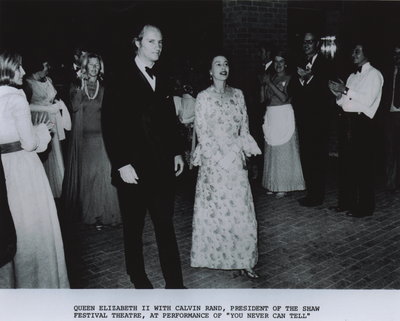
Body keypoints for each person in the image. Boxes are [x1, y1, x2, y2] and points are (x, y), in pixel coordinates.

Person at [102, 25, 185, 289]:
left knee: (165, 225)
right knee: (133, 228)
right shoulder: (120, 76)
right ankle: (137, 276)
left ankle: (175, 283)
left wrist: (176, 152)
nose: (157, 47)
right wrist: (121, 162)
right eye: (151, 42)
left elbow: (169, 120)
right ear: (137, 43)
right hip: (133, 168)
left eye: (160, 42)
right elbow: (110, 123)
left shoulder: (163, 75)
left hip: (161, 166)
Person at [0, 51, 69, 288]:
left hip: (3, 170)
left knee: (9, 227)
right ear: (9, 70)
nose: (22, 72)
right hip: (22, 167)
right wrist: (43, 132)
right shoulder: (16, 97)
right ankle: (39, 283)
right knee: (33, 226)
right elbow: (30, 144)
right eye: (18, 68)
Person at [190, 54, 261, 278]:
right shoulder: (203, 98)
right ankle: (217, 257)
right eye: (218, 64)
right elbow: (202, 133)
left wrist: (239, 154)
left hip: (235, 160)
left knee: (241, 212)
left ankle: (244, 260)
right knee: (218, 213)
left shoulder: (238, 95)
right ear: (210, 71)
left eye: (226, 64)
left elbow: (245, 129)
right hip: (214, 164)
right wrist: (220, 159)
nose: (223, 67)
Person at [63, 53, 121, 226]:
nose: (94, 68)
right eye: (91, 65)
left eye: (97, 65)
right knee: (88, 179)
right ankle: (91, 214)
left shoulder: (103, 87)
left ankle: (104, 215)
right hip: (84, 141)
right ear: (85, 67)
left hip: (102, 139)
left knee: (103, 177)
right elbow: (74, 107)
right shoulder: (76, 86)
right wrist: (81, 85)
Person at [328, 41, 383, 217]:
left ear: (367, 53)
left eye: (357, 51)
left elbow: (367, 101)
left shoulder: (375, 75)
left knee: (363, 167)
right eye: (353, 51)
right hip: (347, 122)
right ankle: (346, 202)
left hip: (363, 124)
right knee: (346, 165)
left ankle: (365, 207)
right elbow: (345, 103)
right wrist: (338, 95)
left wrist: (346, 90)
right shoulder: (352, 76)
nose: (353, 54)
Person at [290, 32, 334, 207]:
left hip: (319, 119)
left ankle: (318, 195)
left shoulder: (325, 63)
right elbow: (293, 87)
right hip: (303, 117)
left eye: (309, 42)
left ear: (317, 44)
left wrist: (308, 77)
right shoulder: (299, 63)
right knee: (307, 155)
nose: (306, 45)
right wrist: (301, 79)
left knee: (318, 156)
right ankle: (311, 192)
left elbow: (325, 88)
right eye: (304, 42)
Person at [24, 57, 71, 198]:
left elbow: (54, 97)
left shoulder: (49, 80)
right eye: (45, 65)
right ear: (37, 66)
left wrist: (58, 105)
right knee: (45, 153)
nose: (48, 67)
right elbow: (25, 106)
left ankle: (60, 187)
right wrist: (46, 108)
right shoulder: (28, 83)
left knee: (56, 151)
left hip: (53, 119)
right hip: (39, 120)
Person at [262, 52, 305, 197]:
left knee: (284, 151)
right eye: (276, 62)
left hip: (284, 114)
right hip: (272, 115)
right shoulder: (271, 77)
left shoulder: (290, 78)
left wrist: (269, 84)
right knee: (273, 151)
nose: (278, 65)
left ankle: (284, 186)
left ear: (286, 63)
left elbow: (284, 97)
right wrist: (263, 85)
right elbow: (264, 99)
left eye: (281, 62)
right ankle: (272, 184)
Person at [382, 44, 400, 191]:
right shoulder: (389, 71)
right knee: (390, 149)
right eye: (395, 54)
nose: (397, 57)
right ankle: (390, 182)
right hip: (389, 114)